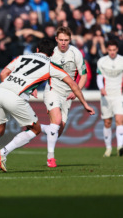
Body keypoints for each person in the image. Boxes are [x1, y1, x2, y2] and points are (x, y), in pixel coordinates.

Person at [0, 38, 95, 172]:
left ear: (37, 50)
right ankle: (3, 153)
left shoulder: (23, 57)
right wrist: (84, 104)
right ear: (51, 54)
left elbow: (3, 73)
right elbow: (73, 84)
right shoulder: (52, 65)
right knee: (35, 129)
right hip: (15, 97)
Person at [40, 26, 88, 168]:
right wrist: (32, 88)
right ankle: (51, 158)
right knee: (57, 120)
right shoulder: (51, 52)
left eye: (66, 40)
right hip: (52, 90)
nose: (63, 43)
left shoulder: (75, 53)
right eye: (60, 40)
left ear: (70, 40)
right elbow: (39, 70)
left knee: (59, 129)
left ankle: (34, 128)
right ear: (56, 39)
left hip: (67, 96)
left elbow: (83, 75)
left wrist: (77, 90)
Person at [96, 40, 123, 157]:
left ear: (117, 49)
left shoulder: (122, 60)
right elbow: (99, 77)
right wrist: (101, 88)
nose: (112, 52)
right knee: (107, 122)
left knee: (119, 120)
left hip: (119, 94)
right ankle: (108, 148)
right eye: (110, 50)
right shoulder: (102, 61)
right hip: (106, 95)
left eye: (114, 50)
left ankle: (120, 147)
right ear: (107, 50)